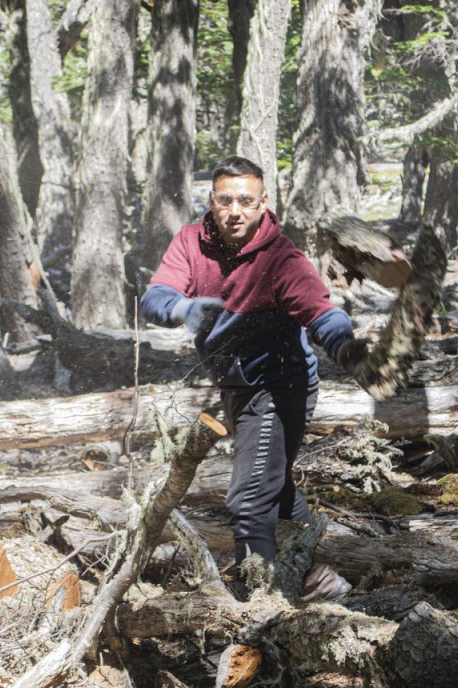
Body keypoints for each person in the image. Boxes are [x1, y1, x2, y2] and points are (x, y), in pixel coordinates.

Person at [140, 156, 365, 590]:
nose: (234, 211)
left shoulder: (281, 258)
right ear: (212, 200)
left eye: (245, 201)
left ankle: (259, 603)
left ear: (263, 203)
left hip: (279, 387)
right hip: (236, 385)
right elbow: (155, 297)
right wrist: (183, 308)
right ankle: (320, 580)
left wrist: (345, 346)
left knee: (249, 501)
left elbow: (321, 312)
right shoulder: (190, 242)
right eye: (225, 200)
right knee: (274, 488)